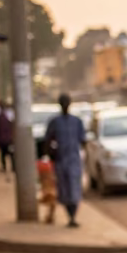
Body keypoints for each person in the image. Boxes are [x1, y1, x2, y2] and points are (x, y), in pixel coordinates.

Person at [44, 93, 86, 227]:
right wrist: (52, 153)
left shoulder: (77, 122)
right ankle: (70, 215)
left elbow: (83, 139)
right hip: (61, 160)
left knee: (74, 188)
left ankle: (73, 216)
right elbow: (47, 140)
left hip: (74, 159)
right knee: (64, 189)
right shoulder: (55, 122)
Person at [0, 99, 15, 173]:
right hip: (7, 138)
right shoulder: (9, 116)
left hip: (3, 138)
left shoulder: (0, 116)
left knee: (4, 153)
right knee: (10, 153)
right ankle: (11, 167)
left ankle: (5, 167)